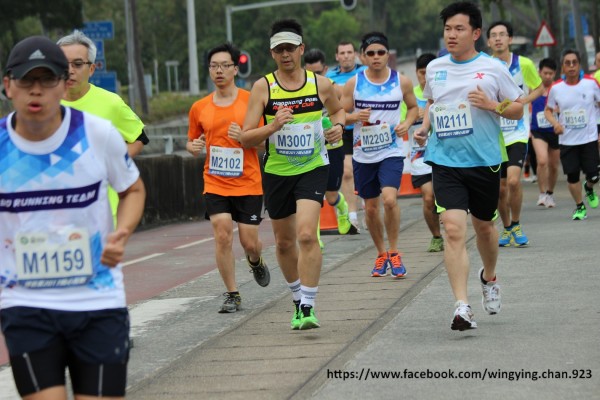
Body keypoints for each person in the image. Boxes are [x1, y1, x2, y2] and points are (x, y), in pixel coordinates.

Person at [0, 36, 145, 399]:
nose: (36, 90)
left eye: (47, 79)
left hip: (97, 301)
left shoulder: (97, 134)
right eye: (26, 80)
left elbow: (132, 189)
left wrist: (123, 232)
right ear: (8, 86)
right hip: (25, 303)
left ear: (64, 85)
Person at [414, 1, 524, 331]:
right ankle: (462, 306)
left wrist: (491, 104)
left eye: (459, 29)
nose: (451, 34)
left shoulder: (493, 68)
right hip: (445, 160)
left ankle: (489, 277)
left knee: (485, 227)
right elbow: (432, 102)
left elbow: (517, 108)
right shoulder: (435, 68)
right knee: (452, 229)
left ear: (476, 33)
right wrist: (425, 127)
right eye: (448, 29)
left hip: (484, 160)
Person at [241, 19, 345, 330]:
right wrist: (273, 126)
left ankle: (309, 305)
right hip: (277, 171)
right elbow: (245, 137)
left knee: (306, 234)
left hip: (313, 167)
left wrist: (338, 127)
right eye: (279, 50)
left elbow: (338, 111)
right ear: (272, 53)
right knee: (285, 243)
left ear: (301, 49)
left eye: (290, 48)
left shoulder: (320, 84)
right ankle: (298, 299)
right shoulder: (263, 87)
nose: (285, 54)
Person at [187, 43, 270, 314]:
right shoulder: (199, 107)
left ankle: (255, 261)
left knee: (249, 243)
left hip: (248, 181)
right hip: (215, 181)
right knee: (222, 233)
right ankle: (233, 293)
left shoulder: (250, 101)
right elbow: (191, 141)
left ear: (236, 68)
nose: (219, 71)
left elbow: (265, 142)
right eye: (214, 66)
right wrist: (193, 147)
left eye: (225, 65)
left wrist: (244, 138)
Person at [341, 32, 418, 278]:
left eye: (381, 52)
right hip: (363, 154)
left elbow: (414, 107)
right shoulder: (354, 83)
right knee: (371, 209)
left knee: (390, 200)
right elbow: (339, 115)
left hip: (391, 151)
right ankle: (381, 253)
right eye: (371, 53)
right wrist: (355, 117)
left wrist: (407, 123)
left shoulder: (401, 81)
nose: (376, 57)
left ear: (387, 54)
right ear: (363, 56)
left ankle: (394, 252)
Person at [57, 30, 148, 226]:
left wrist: (111, 162)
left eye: (77, 64)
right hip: (57, 214)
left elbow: (139, 137)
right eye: (63, 64)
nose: (69, 70)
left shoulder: (111, 103)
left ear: (91, 69)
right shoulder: (45, 105)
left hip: (103, 213)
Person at [487, 21, 543, 248]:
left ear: (510, 39)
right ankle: (507, 227)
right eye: (494, 35)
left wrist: (522, 101)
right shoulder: (485, 65)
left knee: (512, 181)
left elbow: (539, 87)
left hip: (518, 132)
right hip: (494, 134)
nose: (498, 39)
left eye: (502, 35)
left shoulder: (524, 64)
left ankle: (517, 224)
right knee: (500, 188)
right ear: (488, 41)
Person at [304, 48, 357, 248]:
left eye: (318, 72)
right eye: (310, 73)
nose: (315, 77)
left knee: (331, 194)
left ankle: (342, 208)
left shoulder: (334, 88)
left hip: (333, 146)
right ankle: (315, 239)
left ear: (325, 70)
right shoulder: (300, 90)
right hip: (309, 148)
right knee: (312, 195)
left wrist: (337, 124)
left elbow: (343, 113)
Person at [544, 49, 600, 221]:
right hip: (567, 140)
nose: (571, 66)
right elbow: (548, 110)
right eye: (567, 63)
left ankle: (588, 187)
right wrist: (555, 124)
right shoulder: (556, 88)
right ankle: (580, 206)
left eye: (574, 62)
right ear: (562, 66)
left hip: (589, 138)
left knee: (594, 175)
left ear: (579, 65)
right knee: (572, 175)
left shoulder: (591, 83)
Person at [401, 52, 444, 252]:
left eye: (428, 73)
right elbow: (399, 124)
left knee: (443, 197)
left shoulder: (443, 91)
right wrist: (412, 117)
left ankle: (452, 228)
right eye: (421, 73)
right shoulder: (411, 95)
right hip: (420, 156)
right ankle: (436, 236)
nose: (425, 78)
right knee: (428, 197)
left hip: (444, 153)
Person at [326, 41, 366, 229]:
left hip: (365, 129)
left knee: (366, 171)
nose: (346, 56)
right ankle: (352, 215)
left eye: (349, 52)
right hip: (343, 130)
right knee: (347, 172)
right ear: (337, 56)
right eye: (342, 53)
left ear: (355, 54)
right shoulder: (329, 77)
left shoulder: (364, 73)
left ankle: (368, 203)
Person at [530, 58, 560, 208]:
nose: (547, 76)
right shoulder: (533, 89)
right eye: (545, 73)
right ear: (539, 72)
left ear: (555, 74)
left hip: (555, 131)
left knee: (553, 166)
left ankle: (550, 193)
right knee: (542, 161)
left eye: (551, 73)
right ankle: (542, 194)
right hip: (538, 131)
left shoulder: (559, 89)